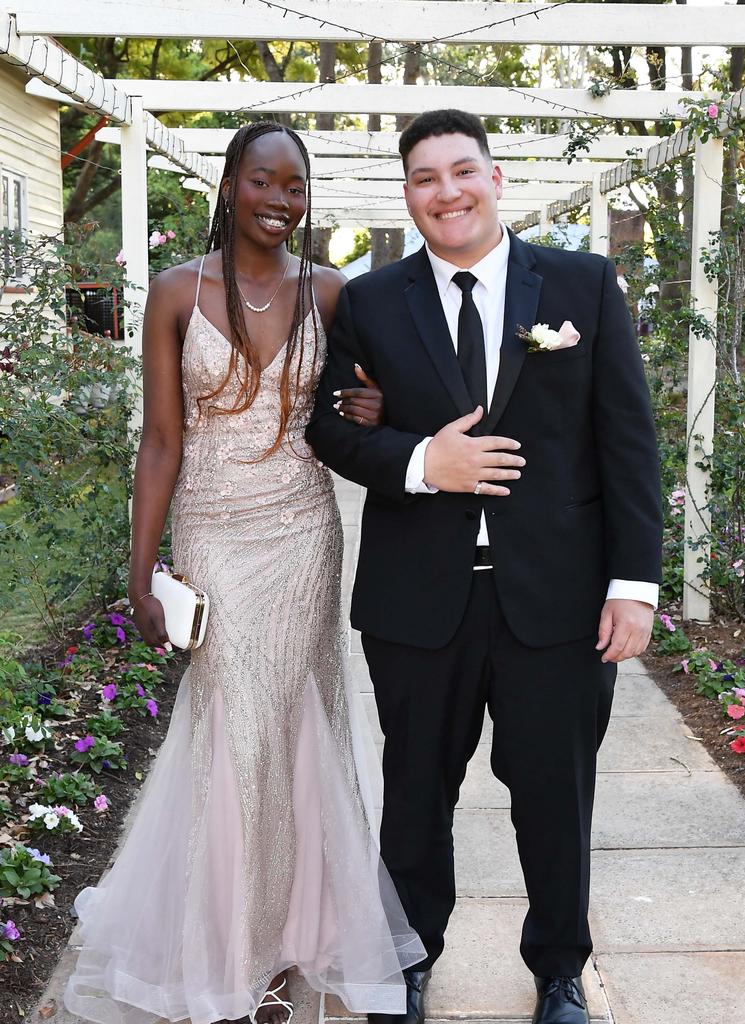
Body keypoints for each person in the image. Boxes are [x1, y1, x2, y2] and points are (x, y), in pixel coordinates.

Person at [306, 109, 663, 1024]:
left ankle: (557, 970)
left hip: (558, 598)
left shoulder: (582, 286)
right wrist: (427, 462)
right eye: (425, 178)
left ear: (496, 179)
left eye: (463, 171)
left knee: (555, 794)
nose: (447, 192)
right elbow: (332, 427)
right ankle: (408, 958)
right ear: (408, 195)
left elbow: (627, 443)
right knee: (417, 794)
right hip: (417, 601)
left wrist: (634, 584)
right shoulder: (372, 301)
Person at [64, 121, 425, 1024]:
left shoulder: (334, 292)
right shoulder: (173, 292)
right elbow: (158, 441)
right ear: (229, 187)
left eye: (294, 187)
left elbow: (373, 407)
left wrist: (372, 405)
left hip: (304, 531)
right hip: (216, 534)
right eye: (263, 182)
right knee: (239, 733)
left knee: (295, 726)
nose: (280, 201)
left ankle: (295, 933)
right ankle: (234, 943)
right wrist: (141, 572)